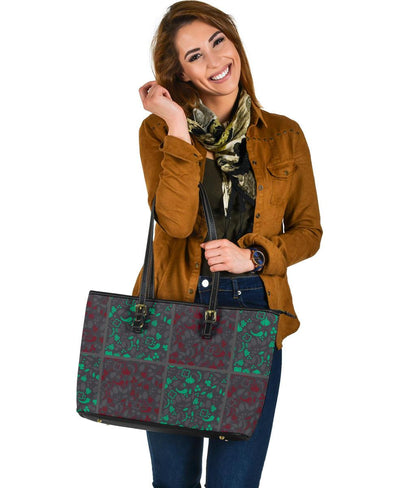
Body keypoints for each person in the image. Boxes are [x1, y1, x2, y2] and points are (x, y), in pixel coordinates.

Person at [132, 1, 323, 487]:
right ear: (181, 72)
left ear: (234, 43)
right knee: (172, 481)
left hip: (254, 309)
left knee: (234, 483)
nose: (216, 60)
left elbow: (308, 231)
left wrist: (254, 256)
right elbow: (175, 223)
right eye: (195, 55)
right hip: (175, 304)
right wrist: (177, 125)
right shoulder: (158, 130)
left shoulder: (284, 134)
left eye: (219, 41)